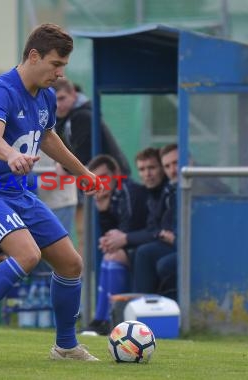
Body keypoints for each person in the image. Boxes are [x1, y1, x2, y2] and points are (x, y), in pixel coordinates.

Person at [0, 23, 102, 362]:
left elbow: (48, 139)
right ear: (34, 56)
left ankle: (65, 346)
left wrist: (83, 172)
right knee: (28, 255)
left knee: (71, 264)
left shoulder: (45, 95)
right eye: (56, 64)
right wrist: (12, 154)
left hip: (18, 195)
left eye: (64, 66)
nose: (60, 74)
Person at [52, 77, 131, 257]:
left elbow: (84, 153)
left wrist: (64, 168)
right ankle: (87, 278)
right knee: (86, 233)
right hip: (94, 183)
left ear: (73, 94)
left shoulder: (82, 116)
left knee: (102, 234)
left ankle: (93, 277)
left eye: (62, 98)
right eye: (54, 100)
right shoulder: (64, 119)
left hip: (112, 182)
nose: (59, 105)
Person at [80, 154, 148, 335]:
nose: (100, 184)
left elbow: (128, 229)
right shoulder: (110, 196)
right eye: (96, 179)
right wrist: (103, 212)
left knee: (113, 256)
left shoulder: (129, 191)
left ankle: (108, 320)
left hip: (145, 246)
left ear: (116, 174)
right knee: (109, 256)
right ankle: (101, 319)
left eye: (103, 177)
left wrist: (114, 240)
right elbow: (114, 232)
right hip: (135, 244)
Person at [132, 143, 178, 298]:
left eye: (152, 168)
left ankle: (147, 310)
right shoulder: (152, 193)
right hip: (170, 242)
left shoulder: (172, 189)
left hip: (185, 245)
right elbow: (153, 228)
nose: (147, 174)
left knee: (144, 253)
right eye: (142, 169)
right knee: (132, 254)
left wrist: (125, 238)